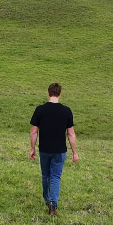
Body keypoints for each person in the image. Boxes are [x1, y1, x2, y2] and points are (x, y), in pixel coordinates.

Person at [29, 83, 78, 216]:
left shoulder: (40, 109)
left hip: (44, 149)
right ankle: (52, 203)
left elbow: (34, 131)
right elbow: (71, 134)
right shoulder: (66, 111)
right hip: (60, 150)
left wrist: (32, 148)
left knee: (45, 176)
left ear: (48, 93)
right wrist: (74, 152)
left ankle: (47, 199)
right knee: (55, 176)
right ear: (60, 93)